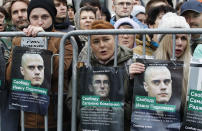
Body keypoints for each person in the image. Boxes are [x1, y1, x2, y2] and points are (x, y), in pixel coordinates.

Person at [6, 0, 73, 130]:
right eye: (35, 17)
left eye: (45, 17)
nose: (40, 22)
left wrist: (45, 41)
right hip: (27, 118)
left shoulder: (64, 39)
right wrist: (22, 48)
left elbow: (58, 71)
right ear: (29, 19)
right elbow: (10, 77)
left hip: (54, 117)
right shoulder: (19, 39)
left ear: (52, 18)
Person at [67, 20, 133, 131]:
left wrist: (113, 112)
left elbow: (138, 104)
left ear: (115, 39)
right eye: (96, 41)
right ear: (90, 44)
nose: (102, 45)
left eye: (106, 39)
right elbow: (71, 100)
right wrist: (95, 113)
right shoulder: (83, 64)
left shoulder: (130, 63)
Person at [130, 12, 191, 108]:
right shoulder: (148, 65)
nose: (179, 43)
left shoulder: (194, 68)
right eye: (174, 37)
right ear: (163, 41)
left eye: (183, 38)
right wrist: (131, 78)